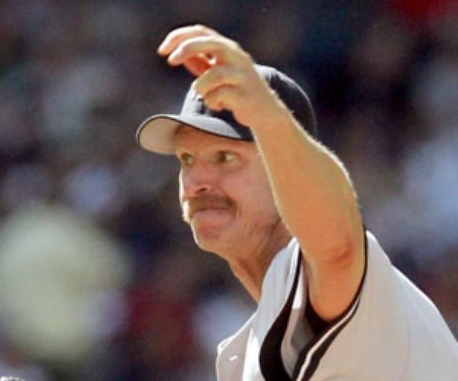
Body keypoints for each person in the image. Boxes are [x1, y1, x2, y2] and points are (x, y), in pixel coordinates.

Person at [136, 24, 458, 380]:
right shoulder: (248, 344)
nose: (196, 182)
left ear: (286, 171)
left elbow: (338, 248)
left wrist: (267, 117)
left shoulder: (340, 280)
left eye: (226, 158)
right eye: (186, 159)